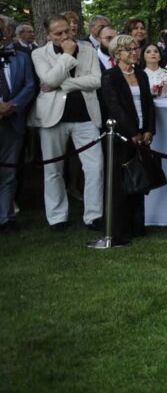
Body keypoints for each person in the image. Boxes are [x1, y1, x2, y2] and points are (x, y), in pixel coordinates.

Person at [29, 14, 104, 230]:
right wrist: (67, 55)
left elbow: (96, 80)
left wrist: (63, 84)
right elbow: (48, 79)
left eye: (67, 31)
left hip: (86, 115)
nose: (64, 36)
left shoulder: (88, 49)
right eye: (58, 33)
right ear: (48, 35)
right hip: (52, 118)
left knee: (94, 167)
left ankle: (94, 215)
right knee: (53, 170)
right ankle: (57, 217)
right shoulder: (39, 53)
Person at [99, 35, 156, 242]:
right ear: (117, 54)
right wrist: (132, 132)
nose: (134, 52)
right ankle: (119, 229)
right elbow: (115, 107)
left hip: (142, 134)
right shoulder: (110, 76)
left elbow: (149, 105)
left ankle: (137, 226)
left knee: (138, 180)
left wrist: (149, 129)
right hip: (121, 136)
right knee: (120, 183)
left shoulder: (141, 75)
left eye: (135, 48)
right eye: (128, 49)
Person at [0, 42, 36, 232]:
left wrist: (12, 105)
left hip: (12, 122)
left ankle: (6, 218)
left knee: (9, 173)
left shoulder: (20, 57)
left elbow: (30, 85)